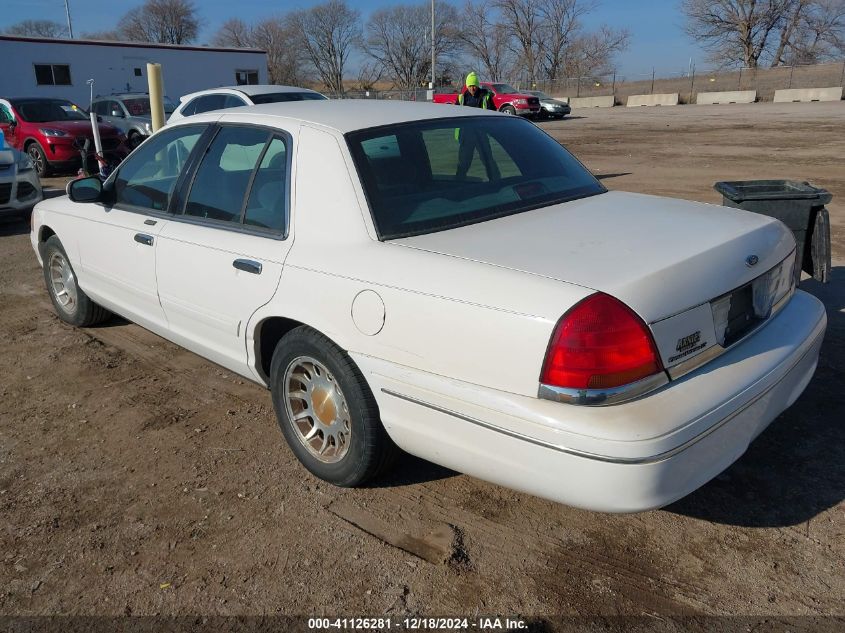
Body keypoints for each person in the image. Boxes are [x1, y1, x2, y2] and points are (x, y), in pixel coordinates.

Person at [454, 72, 494, 179]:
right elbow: (455, 115)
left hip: (482, 134)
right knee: (464, 162)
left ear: (477, 85)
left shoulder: (486, 96)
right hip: (466, 135)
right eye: (470, 85)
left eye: (474, 85)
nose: (473, 88)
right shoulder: (461, 98)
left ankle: (496, 180)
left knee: (488, 160)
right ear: (467, 86)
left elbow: (493, 114)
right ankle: (459, 182)